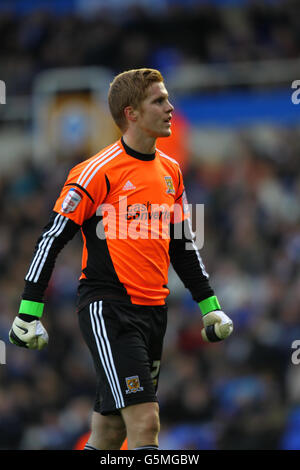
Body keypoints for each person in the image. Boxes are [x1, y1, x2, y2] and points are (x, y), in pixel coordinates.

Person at [9, 68, 233, 451]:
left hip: (153, 312)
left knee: (110, 433)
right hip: (109, 309)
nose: (170, 108)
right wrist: (28, 312)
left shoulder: (171, 173)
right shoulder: (96, 171)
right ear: (131, 113)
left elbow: (182, 243)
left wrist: (209, 305)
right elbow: (52, 238)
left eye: (167, 98)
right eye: (159, 101)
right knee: (145, 426)